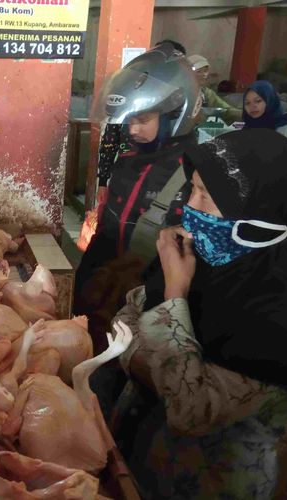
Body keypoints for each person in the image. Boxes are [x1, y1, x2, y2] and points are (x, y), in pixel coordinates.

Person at [114, 129, 287, 499]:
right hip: (141, 461)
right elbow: (122, 323)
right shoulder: (203, 257)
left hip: (218, 484)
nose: (190, 208)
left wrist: (174, 297)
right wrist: (159, 360)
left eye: (207, 197)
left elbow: (190, 410)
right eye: (191, 189)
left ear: (257, 212)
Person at [73, 42, 200, 353]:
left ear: (174, 115)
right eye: (130, 120)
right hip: (110, 288)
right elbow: (108, 228)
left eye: (142, 119)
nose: (132, 129)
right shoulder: (129, 160)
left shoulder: (195, 172)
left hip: (150, 304)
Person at [187, 54, 241, 123]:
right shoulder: (183, 93)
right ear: (189, 73)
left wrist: (242, 114)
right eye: (199, 71)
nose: (204, 74)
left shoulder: (207, 93)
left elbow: (226, 109)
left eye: (205, 71)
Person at [243, 80, 287, 145]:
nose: (252, 106)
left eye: (258, 101)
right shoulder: (248, 125)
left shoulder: (283, 128)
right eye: (247, 103)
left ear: (270, 100)